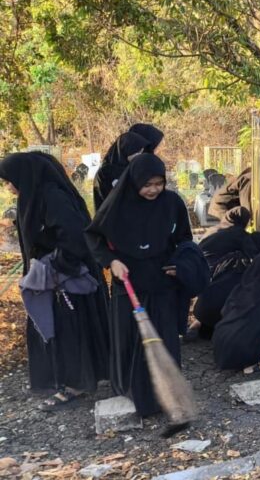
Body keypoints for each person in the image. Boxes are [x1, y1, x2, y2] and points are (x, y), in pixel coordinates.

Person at [85, 154, 193, 418]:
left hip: (161, 281)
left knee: (163, 338)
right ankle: (132, 390)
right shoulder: (117, 205)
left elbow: (184, 240)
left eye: (159, 183)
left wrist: (179, 264)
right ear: (133, 182)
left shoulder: (172, 203)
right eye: (147, 184)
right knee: (130, 338)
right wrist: (111, 261)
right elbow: (93, 236)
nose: (153, 189)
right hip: (128, 281)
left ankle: (165, 392)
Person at [0, 153, 109, 411]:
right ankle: (65, 380)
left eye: (8, 181)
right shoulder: (34, 196)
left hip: (63, 279)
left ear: (23, 177)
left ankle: (74, 385)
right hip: (51, 278)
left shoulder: (52, 196)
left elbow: (74, 237)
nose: (7, 187)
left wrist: (55, 267)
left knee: (68, 330)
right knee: (56, 328)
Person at [213, 247, 260, 374]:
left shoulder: (247, 280)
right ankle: (250, 365)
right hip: (244, 348)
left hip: (220, 341)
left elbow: (225, 310)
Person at [189, 231, 260, 340]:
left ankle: (199, 324)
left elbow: (212, 274)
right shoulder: (257, 272)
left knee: (208, 325)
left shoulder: (232, 257)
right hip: (226, 314)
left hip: (203, 306)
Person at [93, 131, 150, 209]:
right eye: (136, 152)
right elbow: (104, 200)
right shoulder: (105, 172)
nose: (139, 155)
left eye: (141, 152)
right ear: (126, 149)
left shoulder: (136, 168)